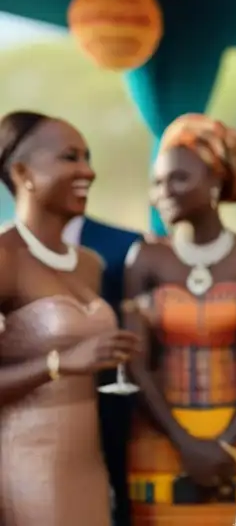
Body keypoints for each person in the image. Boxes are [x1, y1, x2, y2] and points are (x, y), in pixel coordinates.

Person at [122, 113, 236, 525]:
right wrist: (186, 444)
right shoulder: (145, 260)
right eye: (157, 182)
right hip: (161, 440)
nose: (163, 192)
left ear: (215, 182)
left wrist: (224, 445)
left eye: (178, 179)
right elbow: (135, 362)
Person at [0, 110, 140, 525]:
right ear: (23, 172)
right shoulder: (6, 259)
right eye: (70, 158)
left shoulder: (90, 264)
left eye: (88, 157)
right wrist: (63, 363)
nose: (88, 171)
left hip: (89, 466)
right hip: (27, 467)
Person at [64, 211, 144, 526]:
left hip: (114, 417)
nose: (86, 171)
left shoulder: (123, 245)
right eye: (69, 157)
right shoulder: (7, 252)